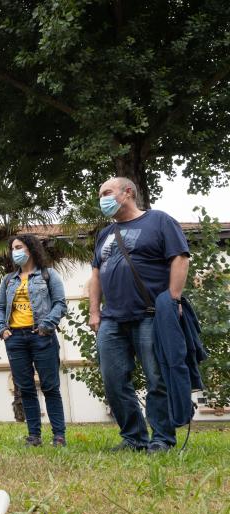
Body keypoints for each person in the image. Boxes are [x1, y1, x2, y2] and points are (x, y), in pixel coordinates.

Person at [90, 176, 190, 453]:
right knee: (113, 380)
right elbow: (96, 274)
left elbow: (180, 258)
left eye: (107, 192)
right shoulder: (105, 233)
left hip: (150, 314)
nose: (103, 199)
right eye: (100, 194)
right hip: (111, 318)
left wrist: (173, 299)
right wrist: (94, 311)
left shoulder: (158, 221)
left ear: (128, 192)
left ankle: (161, 439)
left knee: (157, 378)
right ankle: (133, 438)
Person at [0, 234, 68, 447]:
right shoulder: (8, 280)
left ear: (31, 249)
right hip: (15, 339)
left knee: (50, 387)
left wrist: (46, 326)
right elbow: (0, 308)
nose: (15, 251)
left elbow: (60, 304)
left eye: (19, 247)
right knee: (25, 388)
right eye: (13, 248)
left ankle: (59, 436)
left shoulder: (48, 275)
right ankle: (34, 436)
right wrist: (2, 329)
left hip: (41, 336)